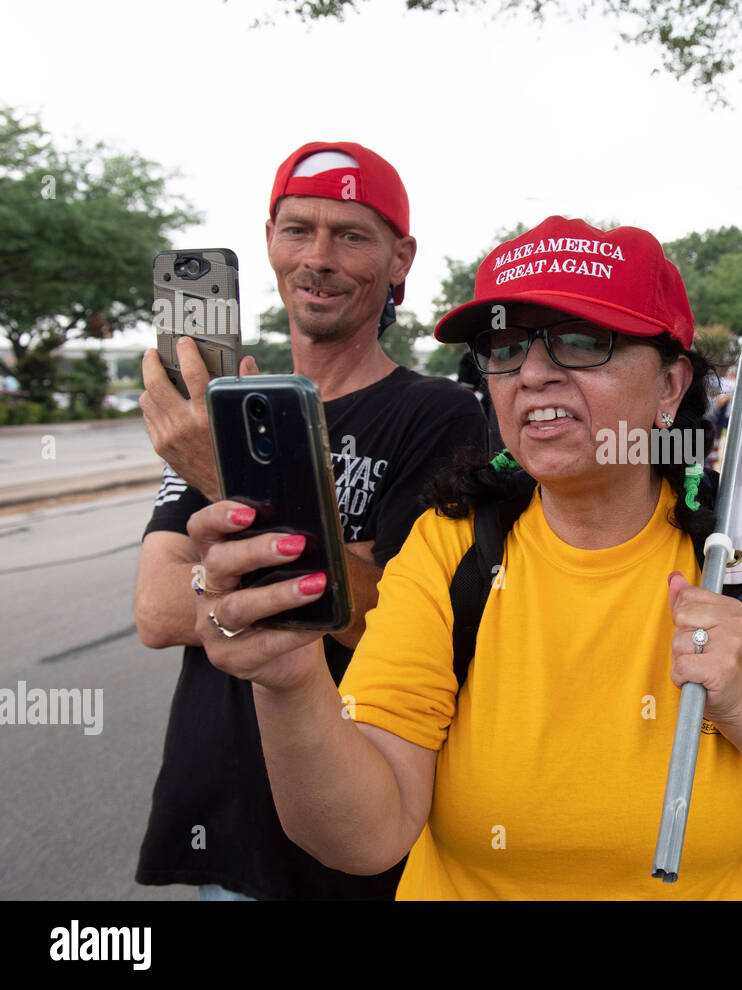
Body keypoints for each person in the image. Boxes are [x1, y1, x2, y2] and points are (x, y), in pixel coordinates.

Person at [186, 216, 742, 899]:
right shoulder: (449, 548)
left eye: (579, 340)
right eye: (505, 348)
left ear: (671, 385)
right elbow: (365, 837)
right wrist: (288, 681)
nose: (532, 372)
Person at [133, 141, 487, 900]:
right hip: (225, 824)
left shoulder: (440, 415)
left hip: (361, 824)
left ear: (400, 260)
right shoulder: (225, 407)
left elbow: (399, 620)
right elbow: (160, 610)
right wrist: (336, 564)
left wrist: (224, 487)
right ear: (268, 242)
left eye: (351, 235)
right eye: (298, 229)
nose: (318, 257)